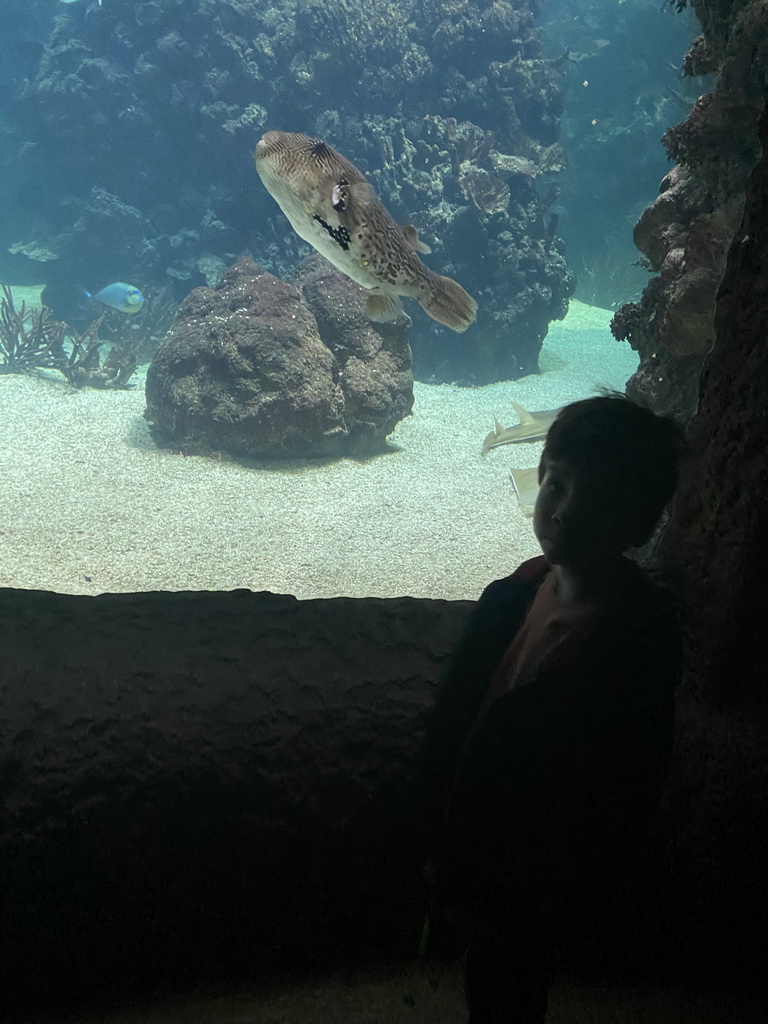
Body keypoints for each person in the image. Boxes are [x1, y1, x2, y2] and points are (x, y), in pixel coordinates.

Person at [421, 393, 685, 1023]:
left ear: (642, 522)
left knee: (509, 987)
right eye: (555, 486)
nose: (565, 513)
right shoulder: (512, 594)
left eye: (596, 499)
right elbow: (458, 715)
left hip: (541, 869)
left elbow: (629, 776)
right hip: (471, 835)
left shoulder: (638, 638)